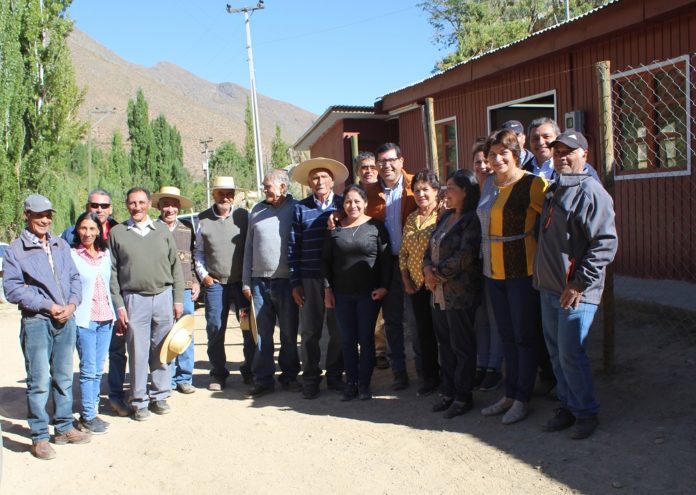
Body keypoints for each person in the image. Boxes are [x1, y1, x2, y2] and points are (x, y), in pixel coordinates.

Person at [535, 131, 618, 439]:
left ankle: (585, 412)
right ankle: (568, 406)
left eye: (569, 151)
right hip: (549, 287)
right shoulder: (554, 189)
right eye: (557, 152)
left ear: (585, 153)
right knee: (557, 353)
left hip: (575, 292)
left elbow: (605, 244)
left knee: (571, 353)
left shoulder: (592, 192)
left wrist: (579, 283)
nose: (562, 157)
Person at [3, 194, 89, 460]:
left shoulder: (60, 245)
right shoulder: (16, 250)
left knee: (64, 377)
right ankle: (39, 436)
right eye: (39, 214)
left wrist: (72, 305)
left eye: (48, 214)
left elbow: (75, 278)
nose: (44, 219)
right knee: (39, 380)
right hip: (37, 321)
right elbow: (12, 289)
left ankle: (63, 427)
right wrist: (47, 305)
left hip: (66, 317)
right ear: (27, 215)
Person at [477, 129, 547, 425]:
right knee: (506, 336)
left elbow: (553, 220)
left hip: (522, 270)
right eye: (492, 155)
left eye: (503, 153)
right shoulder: (489, 183)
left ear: (516, 155)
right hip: (493, 272)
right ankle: (509, 394)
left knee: (524, 336)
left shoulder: (533, 184)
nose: (497, 159)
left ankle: (523, 398)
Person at [109, 187, 184, 421]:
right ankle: (139, 400)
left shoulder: (161, 230)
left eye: (142, 202)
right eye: (133, 203)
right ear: (126, 205)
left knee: (162, 350)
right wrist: (119, 305)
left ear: (150, 203)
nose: (137, 207)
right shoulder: (118, 233)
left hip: (163, 296)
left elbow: (176, 267)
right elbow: (111, 272)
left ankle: (160, 395)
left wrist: (178, 299)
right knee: (137, 352)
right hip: (134, 299)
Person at [322, 184, 391, 401]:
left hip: (368, 295)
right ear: (343, 205)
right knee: (348, 340)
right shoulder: (335, 229)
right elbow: (326, 263)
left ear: (365, 203)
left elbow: (385, 261)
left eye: (357, 201)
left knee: (366, 339)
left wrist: (384, 287)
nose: (353, 205)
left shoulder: (376, 227)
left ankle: (364, 384)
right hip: (342, 295)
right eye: (348, 202)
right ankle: (350, 383)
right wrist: (328, 290)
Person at [424, 170, 483, 418]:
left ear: (466, 192)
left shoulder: (471, 220)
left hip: (458, 294)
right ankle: (447, 392)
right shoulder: (445, 216)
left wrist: (436, 273)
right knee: (444, 344)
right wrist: (427, 268)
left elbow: (466, 255)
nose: (446, 192)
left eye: (451, 188)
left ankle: (462, 396)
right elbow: (430, 247)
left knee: (462, 346)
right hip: (438, 293)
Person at [289, 157, 349, 399]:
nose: (320, 180)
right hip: (310, 279)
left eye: (324, 176)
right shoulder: (300, 209)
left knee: (338, 331)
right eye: (315, 177)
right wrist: (295, 282)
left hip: (339, 279)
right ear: (309, 183)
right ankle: (311, 378)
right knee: (311, 332)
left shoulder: (345, 205)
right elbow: (293, 247)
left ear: (332, 180)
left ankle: (335, 376)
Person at [242, 169, 301, 397]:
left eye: (268, 186)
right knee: (262, 335)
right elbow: (248, 247)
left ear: (283, 187)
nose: (264, 189)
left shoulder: (295, 208)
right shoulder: (256, 210)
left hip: (287, 283)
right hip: (259, 283)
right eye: (264, 186)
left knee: (288, 333)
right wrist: (247, 282)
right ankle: (263, 380)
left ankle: (289, 376)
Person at [364, 143, 419, 390]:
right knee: (393, 321)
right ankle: (399, 370)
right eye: (381, 162)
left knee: (420, 321)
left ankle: (427, 370)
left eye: (391, 160)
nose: (386, 166)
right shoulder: (370, 192)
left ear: (401, 161)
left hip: (416, 262)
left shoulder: (416, 185)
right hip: (388, 265)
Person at [194, 176, 253, 391]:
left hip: (241, 284)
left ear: (234, 196)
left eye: (229, 194)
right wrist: (204, 276)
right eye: (221, 193)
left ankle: (250, 371)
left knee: (249, 329)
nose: (225, 197)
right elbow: (198, 252)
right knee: (215, 328)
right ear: (213, 195)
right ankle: (218, 373)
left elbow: (251, 248)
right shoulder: (202, 220)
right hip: (216, 285)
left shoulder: (243, 217)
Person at [71, 212, 116, 434]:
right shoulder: (72, 255)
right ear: (77, 230)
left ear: (99, 230)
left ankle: (92, 411)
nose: (87, 233)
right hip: (84, 320)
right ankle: (87, 416)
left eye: (92, 229)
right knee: (88, 369)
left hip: (106, 319)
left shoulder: (106, 255)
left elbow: (112, 285)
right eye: (83, 228)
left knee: (98, 369)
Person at [152, 186, 200, 395]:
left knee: (185, 333)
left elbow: (196, 256)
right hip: (160, 289)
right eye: (166, 204)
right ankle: (166, 378)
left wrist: (197, 280)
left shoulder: (188, 229)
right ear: (159, 206)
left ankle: (184, 377)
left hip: (186, 288)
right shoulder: (152, 229)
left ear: (179, 207)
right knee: (162, 333)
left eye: (173, 205)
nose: (170, 209)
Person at [399, 169, 442, 396]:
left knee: (443, 333)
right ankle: (429, 377)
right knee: (422, 333)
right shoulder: (411, 218)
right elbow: (403, 253)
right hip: (416, 286)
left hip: (439, 285)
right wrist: (406, 280)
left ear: (436, 191)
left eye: (425, 189)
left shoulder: (443, 216)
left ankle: (448, 376)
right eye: (416, 190)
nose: (421, 194)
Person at [471, 140, 504, 391]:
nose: (483, 166)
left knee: (495, 316)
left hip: (495, 261)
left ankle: (494, 366)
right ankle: (481, 365)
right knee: (480, 317)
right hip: (475, 263)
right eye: (478, 162)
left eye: (486, 161)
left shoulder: (497, 186)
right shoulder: (471, 189)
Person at [354, 151, 389, 371]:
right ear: (358, 172)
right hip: (358, 257)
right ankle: (365, 350)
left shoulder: (385, 192)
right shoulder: (352, 193)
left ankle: (380, 351)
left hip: (383, 253)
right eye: (363, 168)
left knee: (383, 312)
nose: (368, 171)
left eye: (371, 167)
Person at [526, 117, 600, 182]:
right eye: (535, 138)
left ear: (557, 137)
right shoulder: (524, 170)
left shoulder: (582, 170)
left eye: (546, 136)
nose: (540, 142)